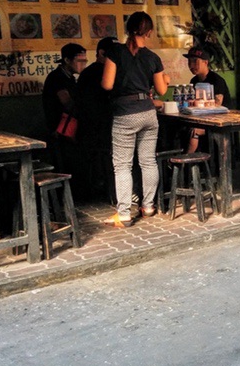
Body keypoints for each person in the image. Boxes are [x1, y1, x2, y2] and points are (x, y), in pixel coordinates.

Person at [101, 12, 168, 227]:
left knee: (122, 165)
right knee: (148, 161)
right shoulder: (153, 58)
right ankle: (148, 206)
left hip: (125, 114)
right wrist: (165, 79)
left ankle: (124, 214)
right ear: (149, 32)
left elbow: (107, 85)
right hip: (148, 113)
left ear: (128, 29)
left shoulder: (115, 52)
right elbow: (161, 90)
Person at [76, 36, 118, 202]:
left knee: (101, 160)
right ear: (101, 53)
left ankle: (105, 192)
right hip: (100, 125)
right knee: (108, 159)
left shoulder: (87, 72)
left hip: (92, 127)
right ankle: (113, 194)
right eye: (113, 54)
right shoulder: (99, 72)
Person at [42, 43, 86, 177]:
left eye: (85, 61)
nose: (83, 64)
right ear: (67, 60)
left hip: (68, 129)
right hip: (60, 130)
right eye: (79, 61)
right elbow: (67, 103)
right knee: (64, 167)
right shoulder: (56, 78)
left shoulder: (70, 78)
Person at [184, 46, 231, 153]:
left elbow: (216, 108)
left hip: (219, 122)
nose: (191, 65)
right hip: (201, 120)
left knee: (193, 132)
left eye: (195, 61)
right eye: (189, 62)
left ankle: (186, 163)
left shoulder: (217, 80)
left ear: (206, 62)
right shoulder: (194, 81)